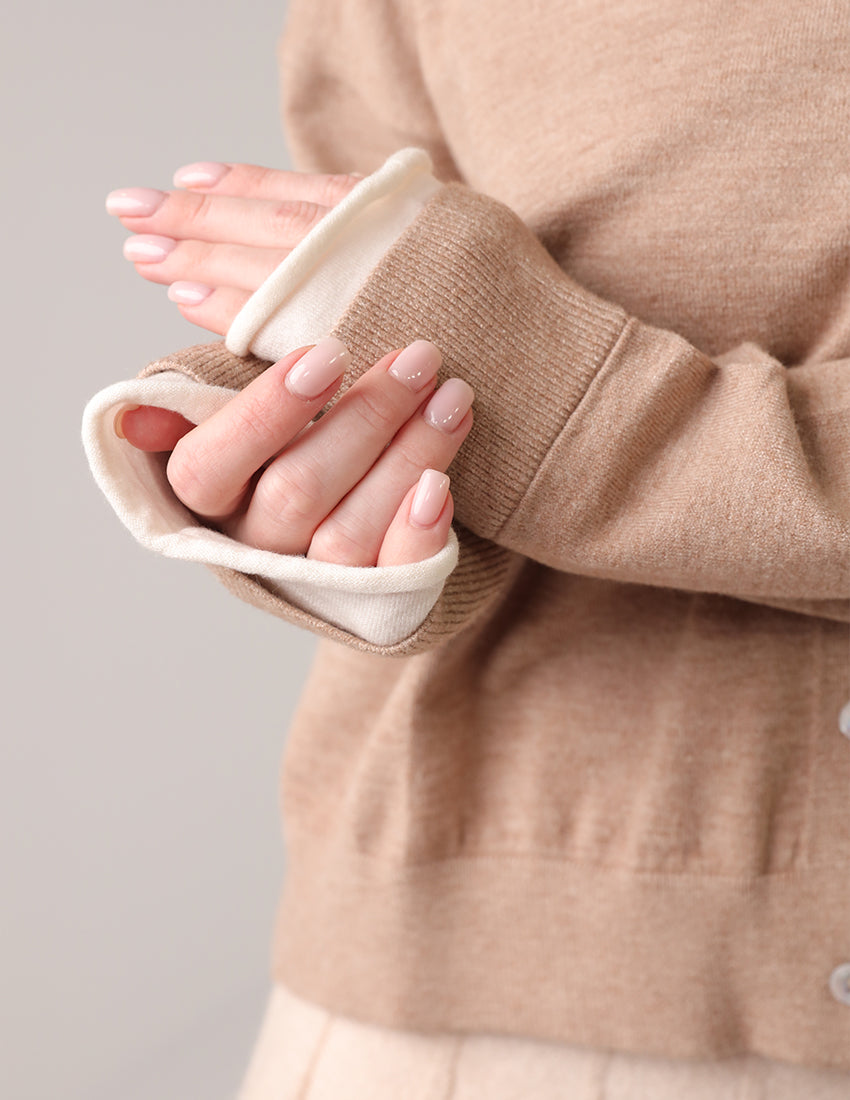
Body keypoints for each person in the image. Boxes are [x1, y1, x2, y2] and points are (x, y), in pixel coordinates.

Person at [84, 0, 850, 1095]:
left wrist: (576, 415)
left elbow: (533, 403)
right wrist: (337, 494)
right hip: (474, 1016)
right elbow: (466, 417)